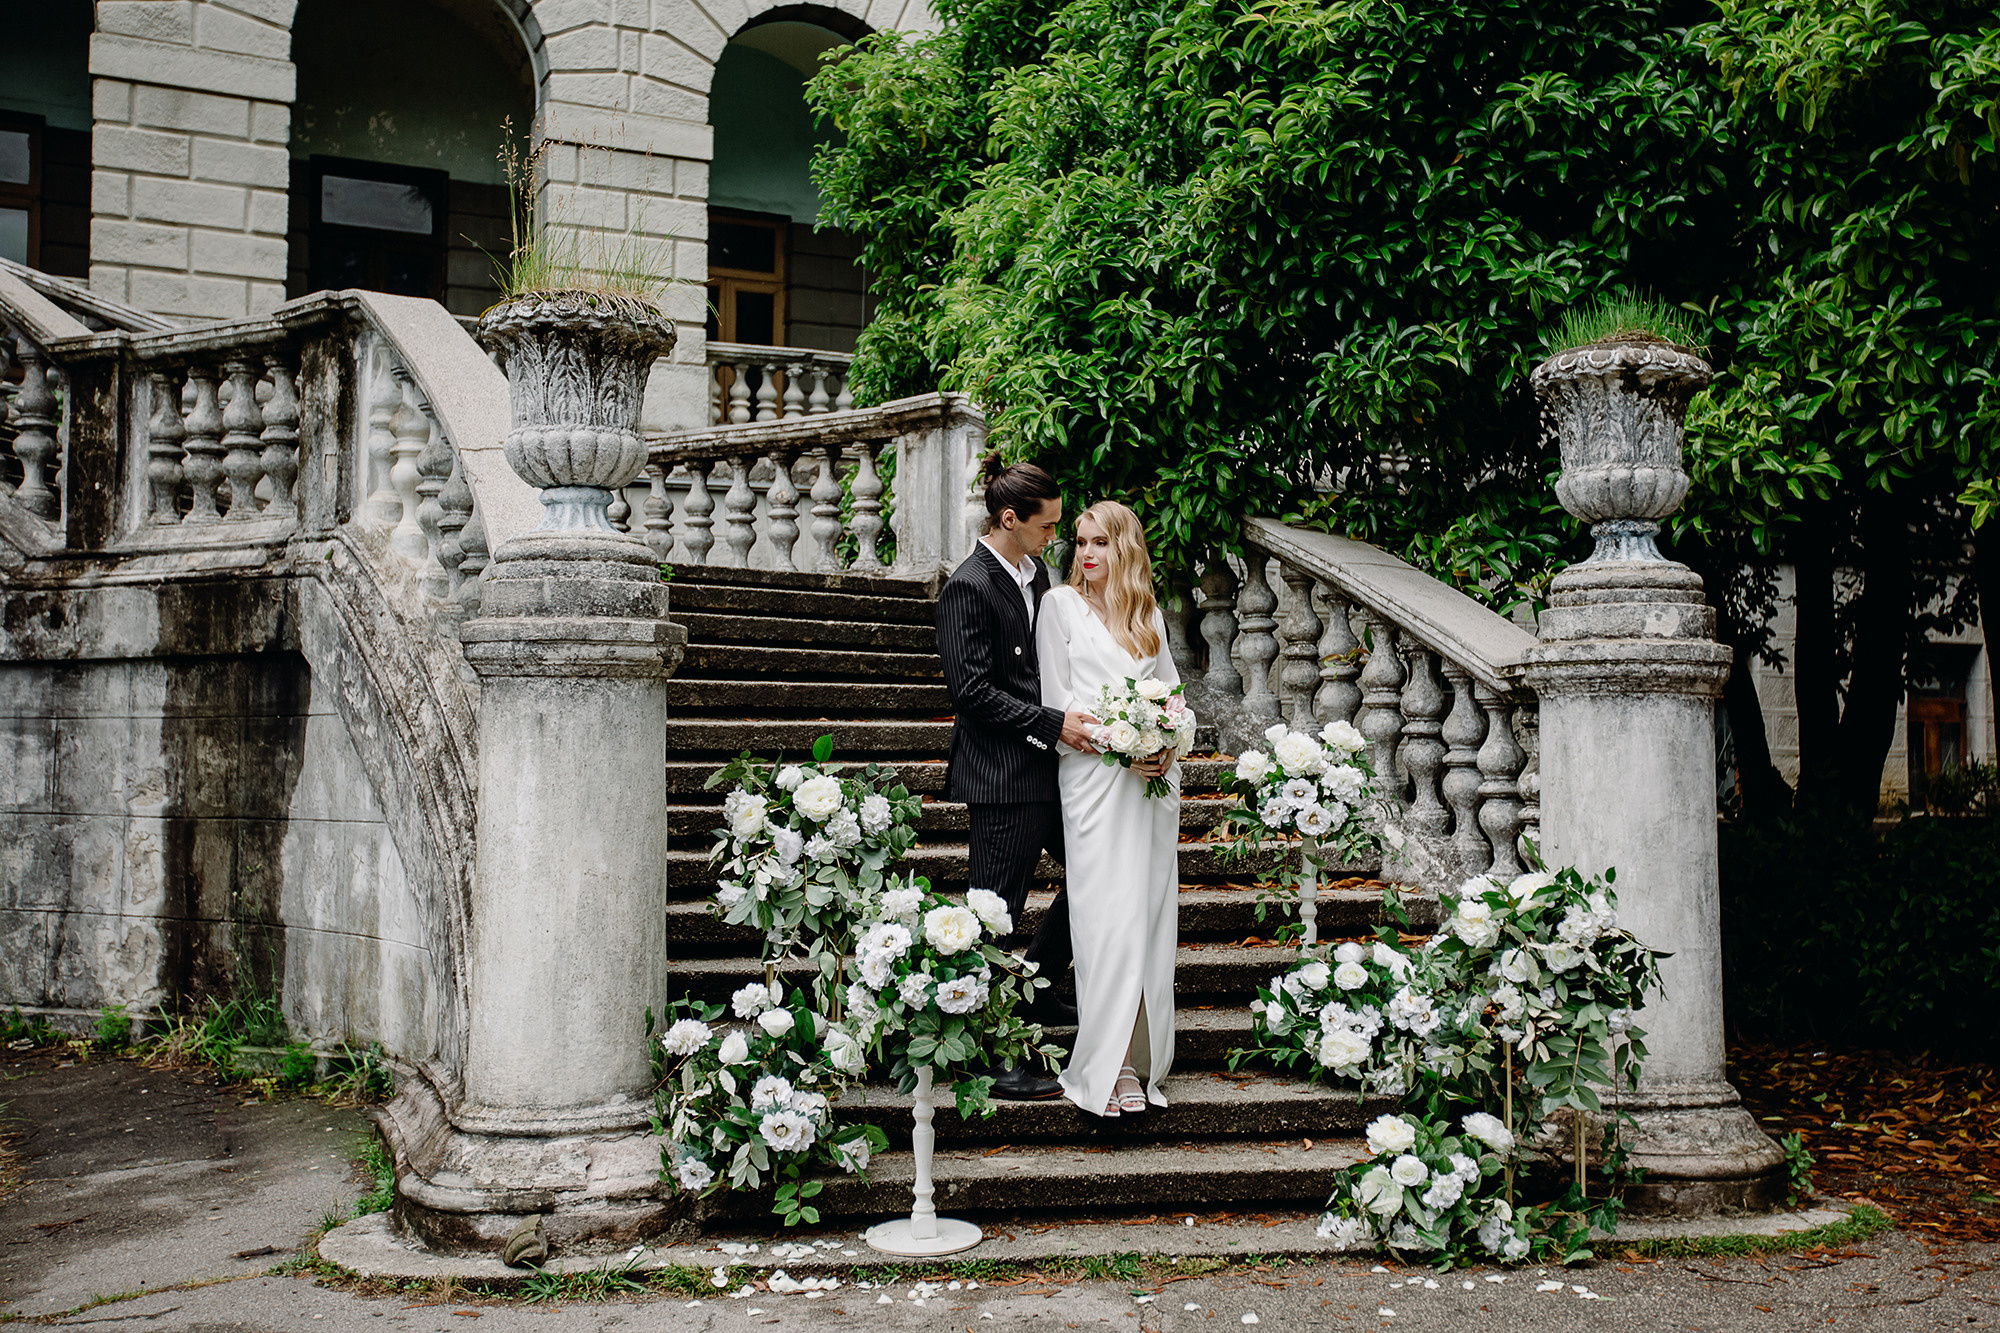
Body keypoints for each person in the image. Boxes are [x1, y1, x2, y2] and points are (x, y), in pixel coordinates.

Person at [935, 456, 1102, 1100]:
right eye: (1047, 526)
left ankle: (1032, 989)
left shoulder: (1034, 575)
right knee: (994, 914)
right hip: (1001, 774)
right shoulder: (969, 585)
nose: (1055, 537)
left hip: (1050, 766)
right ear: (1010, 519)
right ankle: (984, 1052)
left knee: (1092, 876)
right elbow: (970, 691)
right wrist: (1051, 723)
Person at [1035, 501, 1180, 1118]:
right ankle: (1108, 1064)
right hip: (1093, 783)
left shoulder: (1147, 615)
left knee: (1146, 919)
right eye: (1079, 541)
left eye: (1099, 543)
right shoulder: (1059, 607)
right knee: (1104, 921)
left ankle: (1139, 1060)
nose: (1086, 554)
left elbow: (1176, 700)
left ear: (1125, 548)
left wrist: (1167, 747)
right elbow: (1057, 702)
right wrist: (1122, 742)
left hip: (1150, 791)